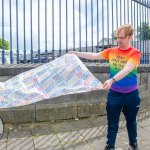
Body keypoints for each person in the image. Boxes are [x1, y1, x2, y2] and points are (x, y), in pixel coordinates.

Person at [68, 24, 141, 150]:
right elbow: (94, 55)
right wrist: (75, 53)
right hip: (114, 95)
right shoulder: (111, 51)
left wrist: (112, 80)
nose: (118, 40)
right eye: (117, 37)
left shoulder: (135, 53)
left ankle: (133, 144)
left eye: (122, 37)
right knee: (112, 124)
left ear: (130, 37)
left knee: (131, 122)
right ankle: (110, 146)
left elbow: (127, 69)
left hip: (131, 95)